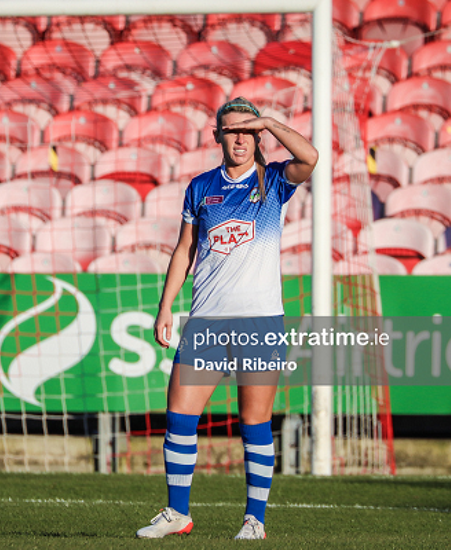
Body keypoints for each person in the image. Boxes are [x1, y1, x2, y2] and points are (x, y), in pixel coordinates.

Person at [135, 97, 318, 540]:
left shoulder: (273, 180)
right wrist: (165, 306)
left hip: (260, 323)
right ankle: (178, 513)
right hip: (207, 322)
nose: (240, 138)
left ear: (258, 136)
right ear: (217, 136)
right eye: (231, 130)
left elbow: (310, 158)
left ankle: (254, 521)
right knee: (179, 414)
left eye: (248, 130)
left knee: (254, 423)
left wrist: (271, 122)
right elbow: (185, 249)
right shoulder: (200, 187)